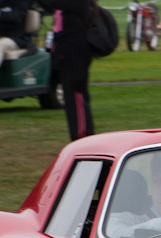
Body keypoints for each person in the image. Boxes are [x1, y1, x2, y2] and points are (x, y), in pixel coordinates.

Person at [41, 0, 94, 140]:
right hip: (64, 52)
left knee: (77, 96)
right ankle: (77, 137)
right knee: (70, 97)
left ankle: (83, 137)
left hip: (75, 51)